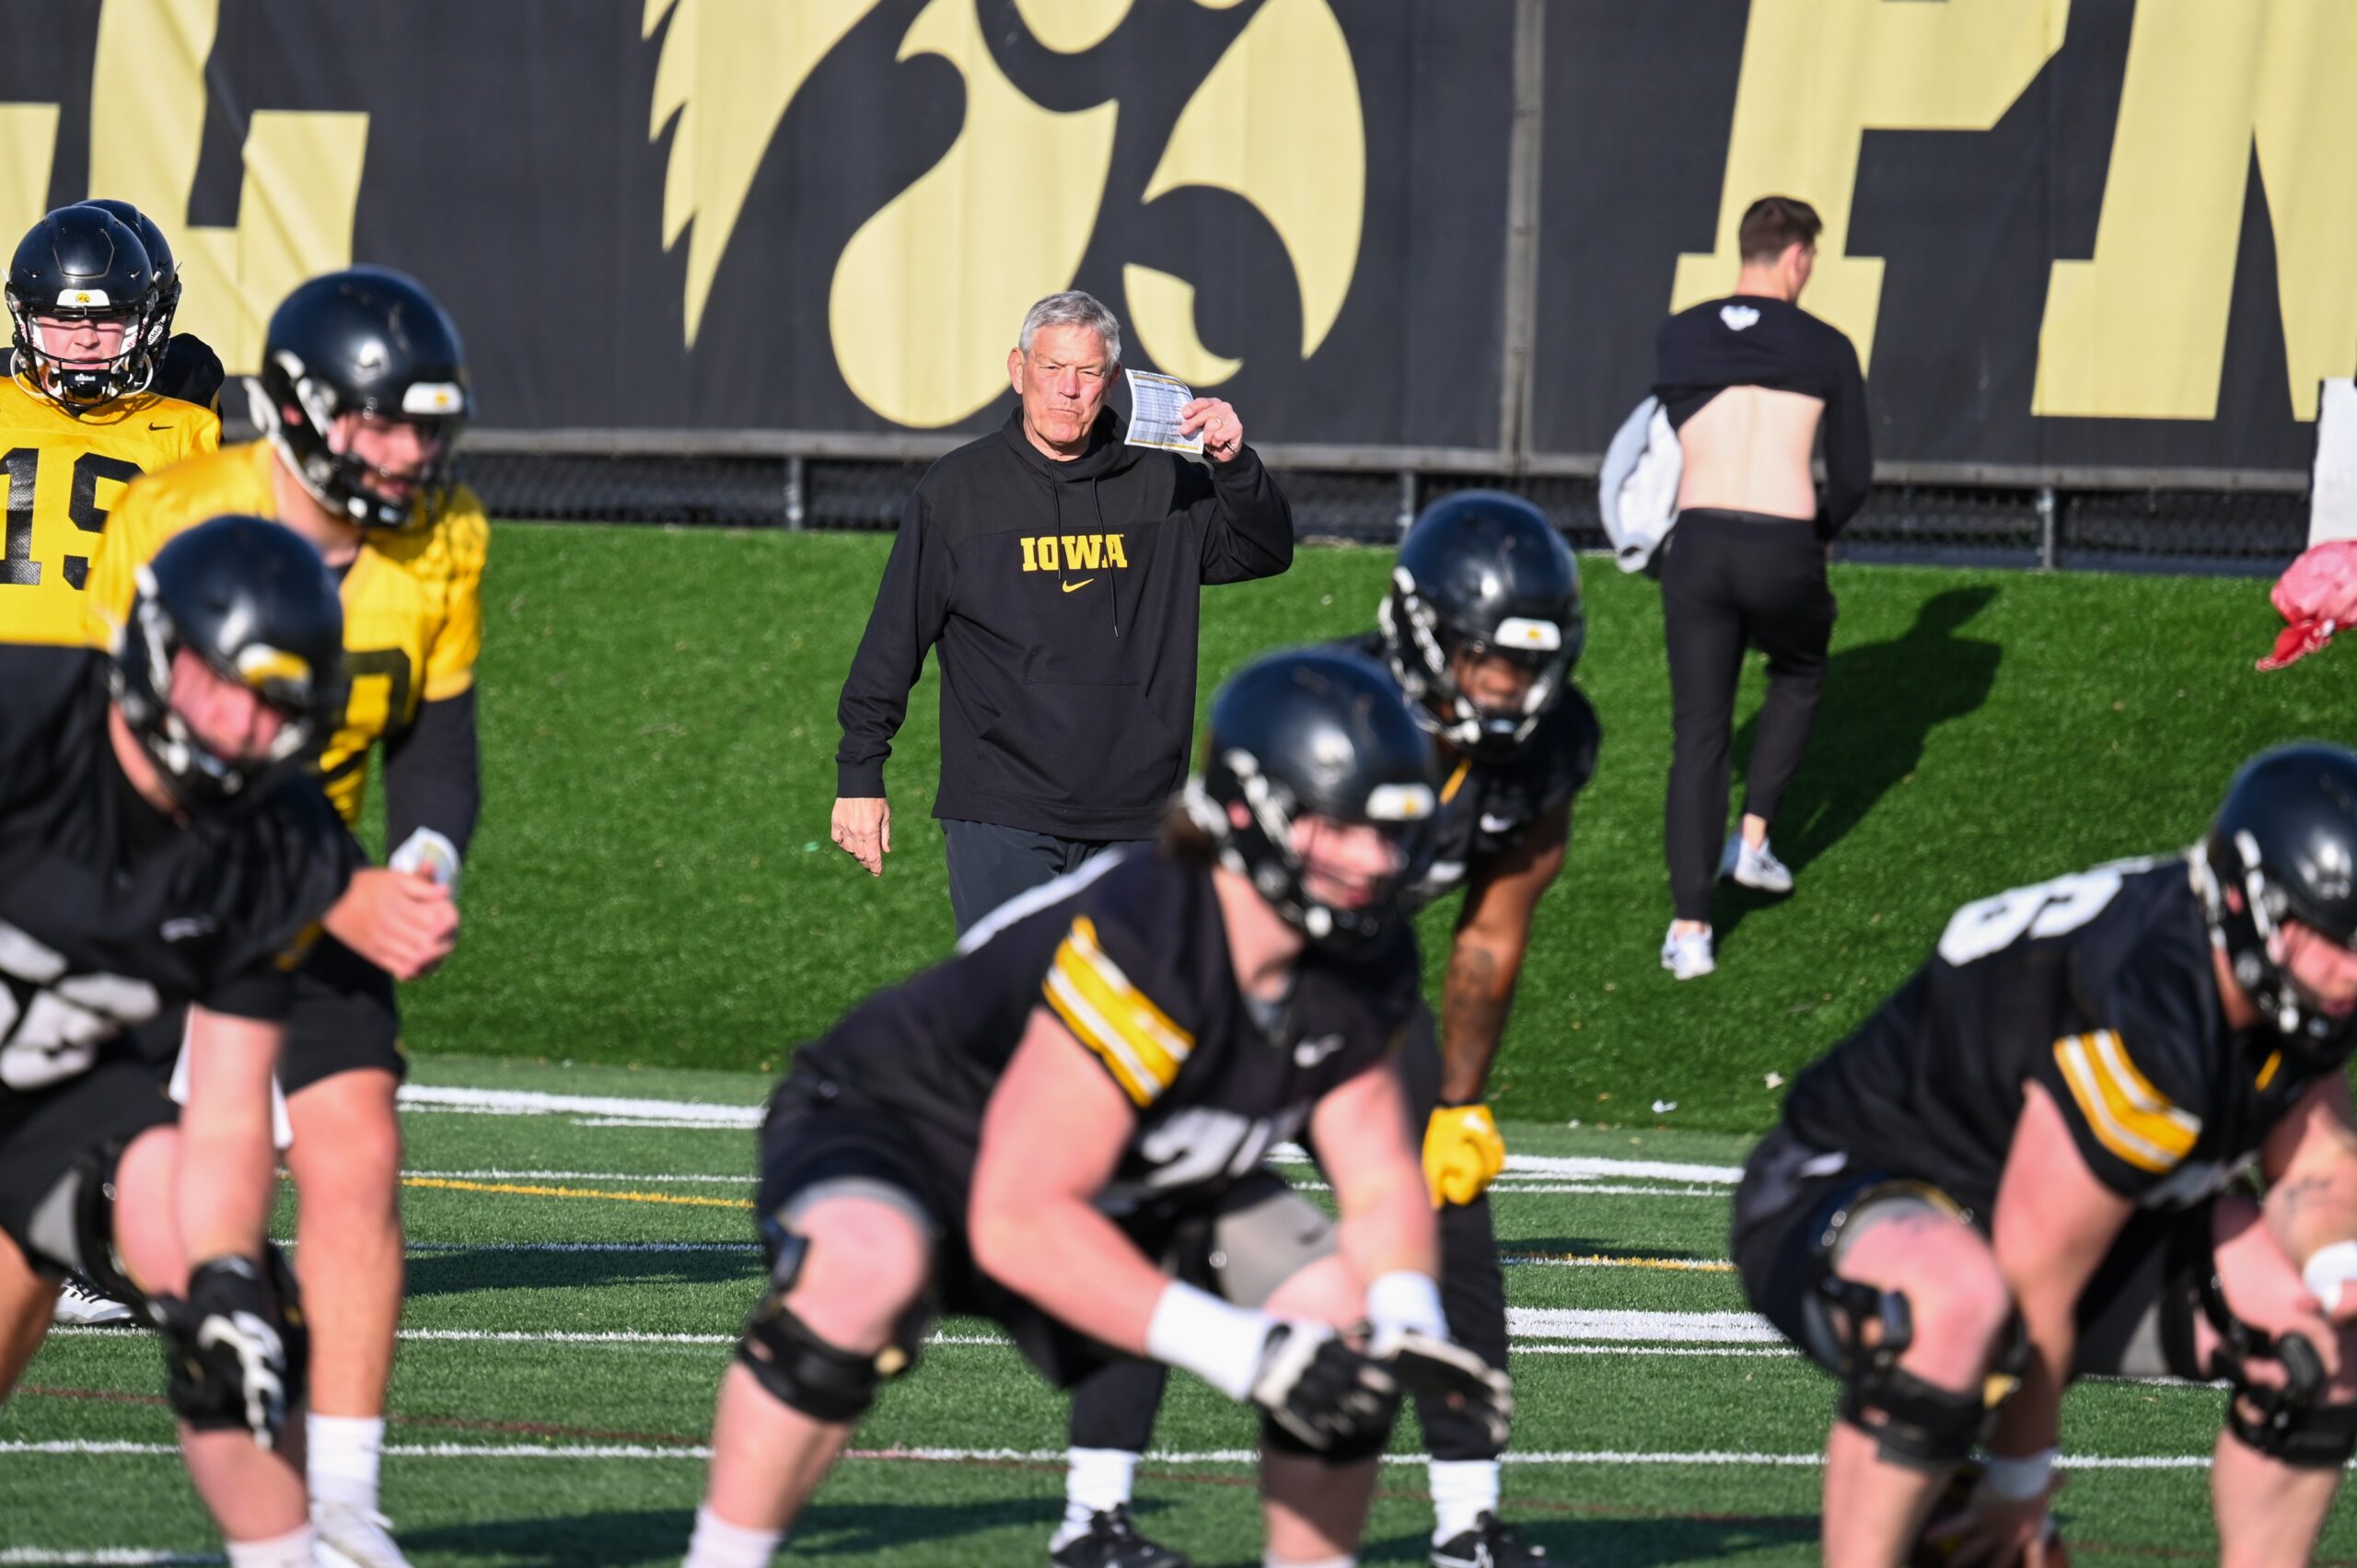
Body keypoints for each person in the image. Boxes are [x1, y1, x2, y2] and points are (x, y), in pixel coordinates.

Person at [686, 650, 1510, 1568]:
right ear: (1245, 809)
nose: (1370, 859)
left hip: (1130, 1159)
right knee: (863, 1270)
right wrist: (1245, 1350)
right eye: (1338, 826)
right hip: (907, 1123)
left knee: (1342, 1324)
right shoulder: (1154, 928)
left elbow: (1379, 1171)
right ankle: (723, 1556)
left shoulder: (1362, 951)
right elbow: (1019, 1216)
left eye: (1386, 829)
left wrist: (1405, 1319)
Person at [1055, 492, 1595, 1568]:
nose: (1505, 689)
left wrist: (1462, 1097)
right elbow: (1203, 867)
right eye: (1483, 660)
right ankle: (1093, 1513)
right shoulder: (1323, 709)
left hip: (1360, 988)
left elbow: (1491, 932)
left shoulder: (1547, 744)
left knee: (1451, 1214)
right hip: (1221, 979)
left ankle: (1465, 1520)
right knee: (1157, 1207)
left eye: (1524, 666)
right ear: (1416, 629)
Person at [80, 265, 480, 1568]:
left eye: (427, 425)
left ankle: (342, 1506)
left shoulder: (442, 538)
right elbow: (129, 758)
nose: (409, 453)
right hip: (147, 872)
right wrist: (335, 884)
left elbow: (435, 741)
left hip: (320, 875)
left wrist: (422, 860)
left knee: (356, 1147)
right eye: (381, 425)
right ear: (304, 414)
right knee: (41, 1239)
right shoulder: (176, 513)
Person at [1733, 742, 2357, 1566]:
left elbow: (2315, 1167)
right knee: (1955, 1304)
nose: (2347, 969)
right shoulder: (2150, 998)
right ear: (2245, 898)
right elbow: (2036, 1279)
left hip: (2047, 1214)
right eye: (2325, 935)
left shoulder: (2288, 976)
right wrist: (2019, 1485)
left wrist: (2340, 1267)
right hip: (1847, 1182)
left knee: (2323, 1337)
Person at [0, 515, 356, 1568]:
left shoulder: (275, 837)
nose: (247, 726)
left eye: (278, 703)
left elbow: (234, 1102)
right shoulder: (24, 719)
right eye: (228, 684)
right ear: (160, 649)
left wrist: (224, 1272)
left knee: (238, 1315)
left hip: (66, 1096)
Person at [830, 289, 1294, 933]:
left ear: (1111, 381)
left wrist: (1233, 466)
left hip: (1139, 815)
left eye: (1088, 372)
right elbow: (893, 641)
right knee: (1016, 1020)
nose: (1068, 390)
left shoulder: (1164, 483)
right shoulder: (958, 491)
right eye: (1051, 369)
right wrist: (861, 772)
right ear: (1018, 371)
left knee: (1132, 1025)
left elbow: (1265, 551)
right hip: (1003, 810)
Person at [1653, 194, 1870, 980]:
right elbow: (1854, 475)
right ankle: (1753, 839)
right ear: (1799, 258)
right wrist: (1814, 533)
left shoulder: (1679, 338)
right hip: (1783, 544)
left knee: (1700, 732)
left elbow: (1655, 444)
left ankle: (1690, 930)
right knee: (1802, 672)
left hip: (1700, 541)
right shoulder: (1825, 345)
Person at [0, 203, 218, 647]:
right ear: (25, 319)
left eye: (107, 319)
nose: (85, 337)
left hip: (110, 672)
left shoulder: (185, 428)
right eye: (62, 318)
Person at [0, 199, 226, 414]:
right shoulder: (8, 390)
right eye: (66, 318)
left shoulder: (187, 383)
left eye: (111, 316)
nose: (87, 338)